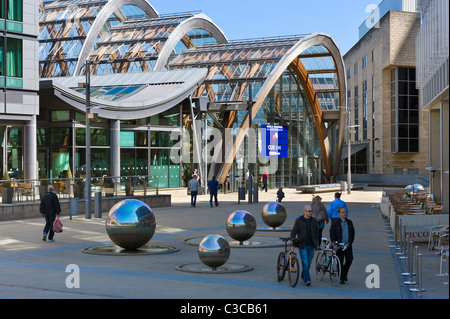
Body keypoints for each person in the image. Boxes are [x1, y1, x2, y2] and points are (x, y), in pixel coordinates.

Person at [290, 205, 319, 286]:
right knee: (305, 263)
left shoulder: (314, 221)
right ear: (305, 211)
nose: (310, 213)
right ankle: (307, 280)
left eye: (311, 211)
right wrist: (292, 239)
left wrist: (317, 243)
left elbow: (317, 233)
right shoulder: (299, 220)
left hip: (312, 245)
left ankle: (303, 275)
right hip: (303, 245)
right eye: (309, 211)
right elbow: (294, 232)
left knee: (309, 263)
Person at [330, 206, 355, 284]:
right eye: (343, 212)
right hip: (339, 246)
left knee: (349, 259)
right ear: (339, 213)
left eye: (345, 212)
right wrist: (334, 243)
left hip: (347, 245)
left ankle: (344, 273)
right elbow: (332, 233)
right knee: (340, 262)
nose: (344, 213)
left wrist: (350, 242)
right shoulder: (335, 223)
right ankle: (341, 278)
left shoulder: (349, 222)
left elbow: (352, 233)